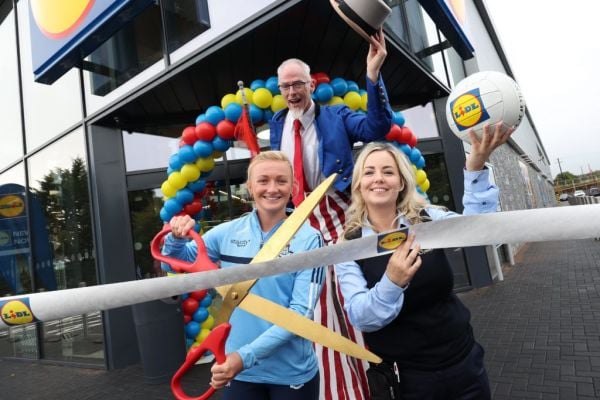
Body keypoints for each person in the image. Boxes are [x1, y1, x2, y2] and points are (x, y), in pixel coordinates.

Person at [335, 124, 514, 400]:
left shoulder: (427, 219)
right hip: (408, 380)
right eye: (369, 172)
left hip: (464, 363)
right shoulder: (349, 245)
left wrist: (476, 165)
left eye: (388, 171)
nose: (378, 179)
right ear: (358, 183)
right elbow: (361, 317)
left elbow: (479, 230)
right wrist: (392, 282)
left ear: (402, 182)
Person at [268, 29, 393, 400]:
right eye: (285, 87)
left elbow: (377, 127)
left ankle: (375, 371)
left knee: (351, 291)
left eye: (297, 85)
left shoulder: (336, 115)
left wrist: (372, 75)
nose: (291, 93)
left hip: (338, 214)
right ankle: (335, 387)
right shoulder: (277, 123)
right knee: (315, 301)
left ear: (310, 84)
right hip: (300, 221)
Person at [162, 151, 324, 400]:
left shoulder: (309, 239)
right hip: (237, 373)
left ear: (294, 186)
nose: (272, 188)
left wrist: (243, 357)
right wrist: (175, 237)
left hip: (291, 374)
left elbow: (299, 315)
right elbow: (176, 263)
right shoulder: (226, 233)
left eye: (281, 181)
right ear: (249, 186)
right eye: (263, 180)